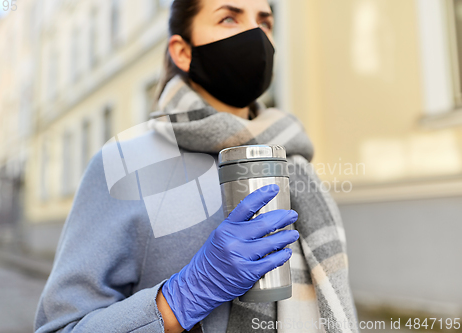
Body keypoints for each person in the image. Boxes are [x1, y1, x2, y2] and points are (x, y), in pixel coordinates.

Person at [34, 0, 359, 332]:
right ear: (182, 51)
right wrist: (185, 295)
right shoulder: (124, 162)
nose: (255, 35)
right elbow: (61, 326)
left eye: (265, 22)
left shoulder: (293, 156)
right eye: (229, 18)